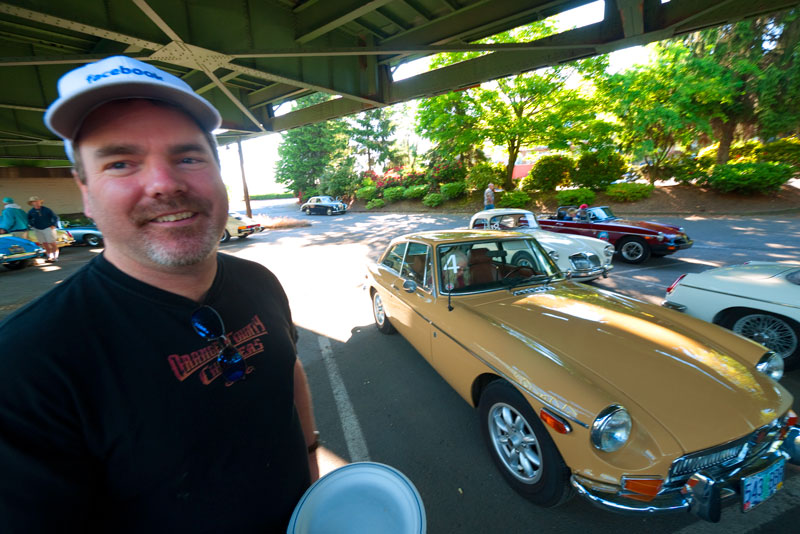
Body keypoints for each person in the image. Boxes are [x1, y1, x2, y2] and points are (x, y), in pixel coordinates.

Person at [0, 56, 321, 532]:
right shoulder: (26, 364)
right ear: (84, 192)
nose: (164, 184)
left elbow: (287, 370)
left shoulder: (259, 281)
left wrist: (313, 467)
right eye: (121, 162)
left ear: (217, 172)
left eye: (187, 157)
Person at [27, 195, 60, 261]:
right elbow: (28, 219)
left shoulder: (46, 209)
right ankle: (49, 256)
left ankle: (55, 257)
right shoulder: (31, 211)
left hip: (48, 228)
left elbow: (55, 217)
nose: (36, 203)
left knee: (52, 243)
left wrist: (54, 225)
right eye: (34, 202)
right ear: (32, 203)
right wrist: (32, 225)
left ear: (40, 202)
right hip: (38, 229)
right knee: (44, 244)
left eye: (37, 201)